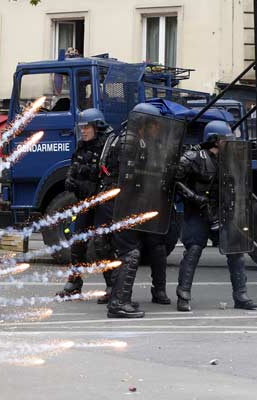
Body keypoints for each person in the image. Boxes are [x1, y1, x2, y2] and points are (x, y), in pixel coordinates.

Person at [97, 103, 175, 318]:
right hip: (121, 202)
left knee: (128, 251)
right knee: (129, 253)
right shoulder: (130, 141)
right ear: (145, 123)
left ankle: (119, 299)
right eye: (154, 124)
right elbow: (130, 175)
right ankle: (118, 304)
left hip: (118, 200)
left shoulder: (123, 136)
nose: (156, 128)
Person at [174, 121, 257, 312]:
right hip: (198, 212)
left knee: (235, 251)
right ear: (214, 140)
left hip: (221, 212)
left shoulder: (229, 159)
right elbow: (175, 180)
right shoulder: (193, 157)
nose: (228, 143)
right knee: (193, 250)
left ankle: (241, 295)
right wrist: (194, 198)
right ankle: (183, 295)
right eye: (224, 139)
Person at [55, 109, 109, 297]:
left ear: (97, 127)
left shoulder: (106, 147)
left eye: (87, 127)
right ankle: (74, 282)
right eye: (82, 127)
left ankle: (111, 286)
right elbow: (74, 167)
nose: (83, 131)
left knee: (103, 244)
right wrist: (71, 180)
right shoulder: (81, 147)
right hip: (85, 202)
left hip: (101, 202)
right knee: (78, 242)